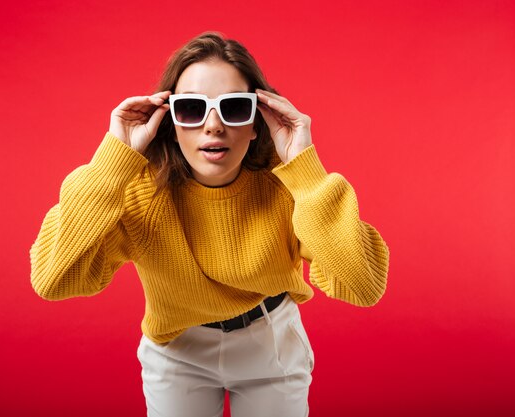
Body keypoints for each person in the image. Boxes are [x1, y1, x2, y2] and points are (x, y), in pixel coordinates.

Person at [30, 31, 389, 417]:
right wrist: (111, 163)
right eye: (191, 110)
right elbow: (53, 279)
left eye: (234, 108)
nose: (213, 126)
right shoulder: (141, 194)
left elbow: (363, 286)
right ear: (170, 123)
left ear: (256, 122)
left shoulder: (287, 186)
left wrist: (307, 170)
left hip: (271, 340)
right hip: (178, 349)